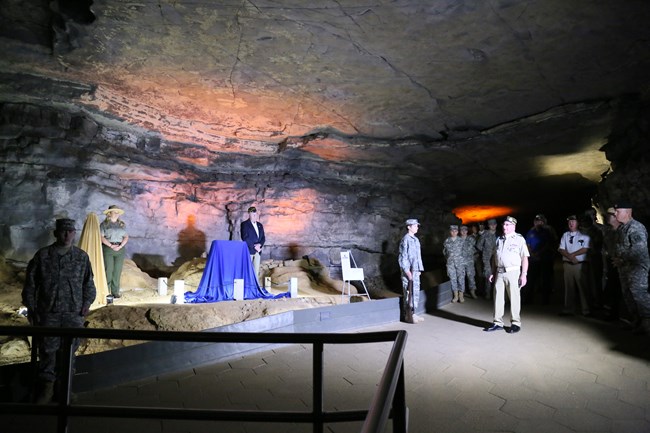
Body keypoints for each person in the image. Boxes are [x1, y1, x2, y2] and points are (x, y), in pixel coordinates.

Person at [22, 218, 97, 403]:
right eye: (63, 231)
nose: (66, 235)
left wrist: (87, 302)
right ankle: (46, 389)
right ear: (56, 233)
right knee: (48, 352)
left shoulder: (81, 257)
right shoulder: (43, 256)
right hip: (49, 313)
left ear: (74, 233)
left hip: (73, 315)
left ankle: (65, 390)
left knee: (69, 353)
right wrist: (32, 309)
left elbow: (89, 284)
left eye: (70, 231)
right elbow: (30, 284)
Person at [484, 216, 529, 333]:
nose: (505, 227)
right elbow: (495, 258)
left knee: (514, 297)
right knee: (498, 298)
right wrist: (493, 273)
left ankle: (515, 323)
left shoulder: (519, 239)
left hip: (513, 272)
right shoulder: (499, 239)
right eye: (504, 225)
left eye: (507, 225)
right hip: (499, 272)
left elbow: (525, 258)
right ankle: (497, 322)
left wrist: (524, 274)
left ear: (514, 226)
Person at [613, 202, 650, 335]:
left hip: (636, 269)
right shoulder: (622, 228)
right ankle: (637, 322)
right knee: (628, 296)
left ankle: (647, 324)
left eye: (618, 211)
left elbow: (639, 249)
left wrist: (622, 258)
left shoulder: (636, 227)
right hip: (625, 268)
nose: (615, 214)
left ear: (628, 212)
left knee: (640, 295)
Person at [558, 215, 591, 316]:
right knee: (569, 287)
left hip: (579, 265)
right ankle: (568, 309)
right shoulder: (565, 235)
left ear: (578, 223)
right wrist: (571, 257)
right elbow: (561, 249)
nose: (571, 223)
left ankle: (586, 310)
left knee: (582, 287)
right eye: (569, 221)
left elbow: (586, 248)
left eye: (573, 221)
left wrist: (573, 255)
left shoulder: (584, 236)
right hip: (567, 264)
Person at [524, 214, 554, 304]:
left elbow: (548, 244)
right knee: (531, 280)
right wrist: (532, 254)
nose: (538, 223)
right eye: (536, 221)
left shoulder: (547, 231)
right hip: (533, 260)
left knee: (545, 280)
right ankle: (528, 299)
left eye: (540, 221)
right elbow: (527, 244)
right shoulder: (531, 232)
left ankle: (545, 300)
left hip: (545, 259)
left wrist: (538, 253)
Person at [100, 205, 128, 299]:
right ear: (109, 213)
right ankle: (107, 292)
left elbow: (126, 236)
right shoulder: (104, 224)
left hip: (120, 249)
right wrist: (111, 245)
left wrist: (120, 246)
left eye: (118, 212)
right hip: (108, 248)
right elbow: (101, 237)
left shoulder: (122, 225)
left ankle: (115, 292)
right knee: (109, 270)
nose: (117, 213)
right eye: (114, 211)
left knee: (117, 270)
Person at [399, 218, 424, 323]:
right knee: (409, 293)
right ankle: (407, 314)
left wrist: (419, 269)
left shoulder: (416, 239)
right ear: (409, 227)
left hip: (415, 270)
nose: (417, 227)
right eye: (415, 226)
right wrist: (407, 271)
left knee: (415, 292)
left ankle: (413, 313)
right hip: (409, 271)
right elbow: (403, 257)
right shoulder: (406, 239)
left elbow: (418, 256)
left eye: (417, 226)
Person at [602, 207, 622, 321]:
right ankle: (613, 313)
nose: (607, 217)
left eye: (610, 215)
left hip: (622, 264)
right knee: (612, 289)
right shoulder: (608, 231)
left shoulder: (623, 230)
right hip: (611, 263)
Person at [241, 206, 265, 283]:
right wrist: (254, 246)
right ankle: (246, 287)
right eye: (252, 215)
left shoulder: (260, 225)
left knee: (256, 271)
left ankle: (255, 287)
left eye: (255, 214)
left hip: (258, 251)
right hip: (249, 251)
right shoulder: (244, 224)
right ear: (249, 214)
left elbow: (263, 237)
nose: (254, 216)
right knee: (247, 270)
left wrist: (260, 245)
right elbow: (245, 238)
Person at [476, 218, 498, 299]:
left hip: (496, 258)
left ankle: (495, 293)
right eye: (491, 225)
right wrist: (485, 251)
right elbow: (478, 245)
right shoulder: (485, 234)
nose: (493, 226)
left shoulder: (499, 234)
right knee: (488, 275)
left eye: (494, 224)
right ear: (489, 226)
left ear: (496, 225)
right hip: (486, 258)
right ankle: (488, 293)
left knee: (497, 274)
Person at [443, 225, 465, 303]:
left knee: (461, 278)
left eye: (455, 231)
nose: (454, 232)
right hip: (450, 263)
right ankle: (455, 296)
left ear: (457, 232)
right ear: (450, 231)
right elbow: (445, 252)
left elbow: (464, 251)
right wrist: (449, 259)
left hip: (460, 263)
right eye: (452, 231)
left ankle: (461, 295)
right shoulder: (447, 241)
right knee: (453, 279)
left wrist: (461, 260)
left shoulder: (461, 241)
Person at [460, 225, 478, 299]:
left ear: (467, 231)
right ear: (460, 231)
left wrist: (474, 258)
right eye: (462, 230)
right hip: (460, 262)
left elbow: (477, 249)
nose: (464, 232)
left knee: (471, 277)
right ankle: (461, 293)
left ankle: (472, 292)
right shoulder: (457, 240)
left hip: (470, 261)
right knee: (461, 277)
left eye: (465, 230)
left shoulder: (471, 239)